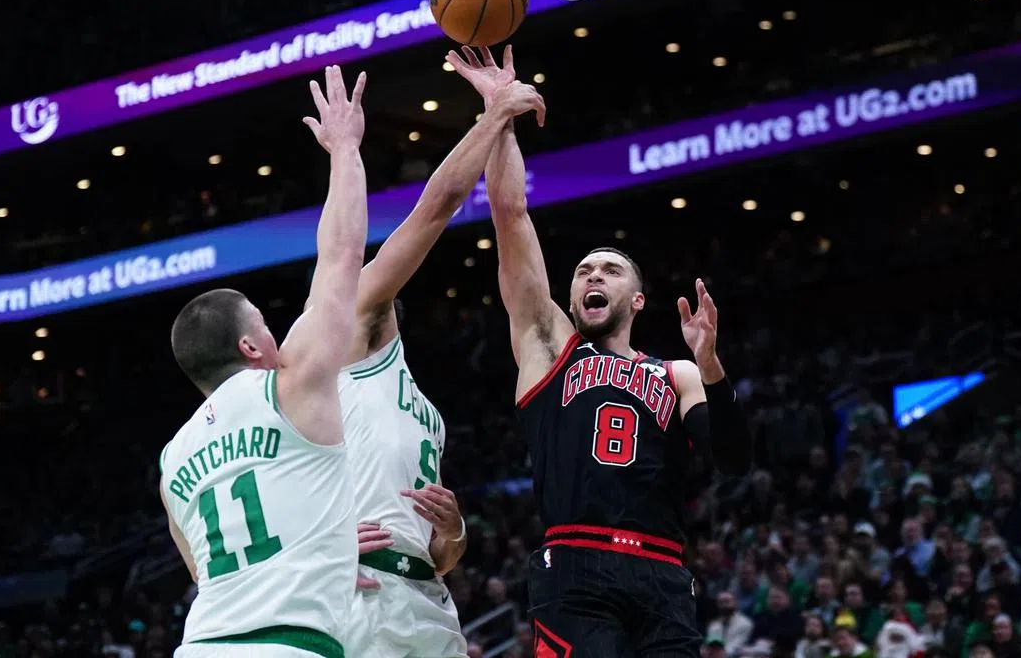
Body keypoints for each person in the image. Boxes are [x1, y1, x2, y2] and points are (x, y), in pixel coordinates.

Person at [462, 46, 751, 655]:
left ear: (638, 299)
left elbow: (732, 459)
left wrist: (711, 365)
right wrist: (500, 117)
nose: (593, 276)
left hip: (663, 572)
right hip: (575, 567)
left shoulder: (676, 373)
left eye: (610, 270)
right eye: (584, 271)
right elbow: (511, 214)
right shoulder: (549, 349)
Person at [340, 46, 545, 658]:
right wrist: (493, 115)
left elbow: (441, 555)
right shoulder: (344, 334)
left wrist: (452, 532)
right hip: (359, 598)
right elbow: (435, 209)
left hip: (427, 603)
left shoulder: (422, 410)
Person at [159, 66, 369, 657]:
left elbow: (207, 572)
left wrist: (322, 548)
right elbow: (342, 257)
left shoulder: (172, 461)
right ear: (250, 348)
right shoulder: (290, 385)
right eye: (267, 327)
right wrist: (345, 150)